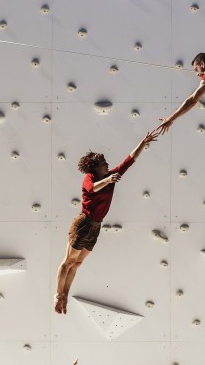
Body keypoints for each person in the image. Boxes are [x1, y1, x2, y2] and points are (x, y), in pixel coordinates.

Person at [55, 131, 158, 314]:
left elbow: (129, 161)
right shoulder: (91, 178)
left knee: (77, 264)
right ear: (95, 168)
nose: (108, 165)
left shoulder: (111, 178)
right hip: (84, 223)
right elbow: (91, 189)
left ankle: (65, 296)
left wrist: (143, 142)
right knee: (68, 261)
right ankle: (58, 294)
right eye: (104, 164)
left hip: (96, 226)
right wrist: (108, 179)